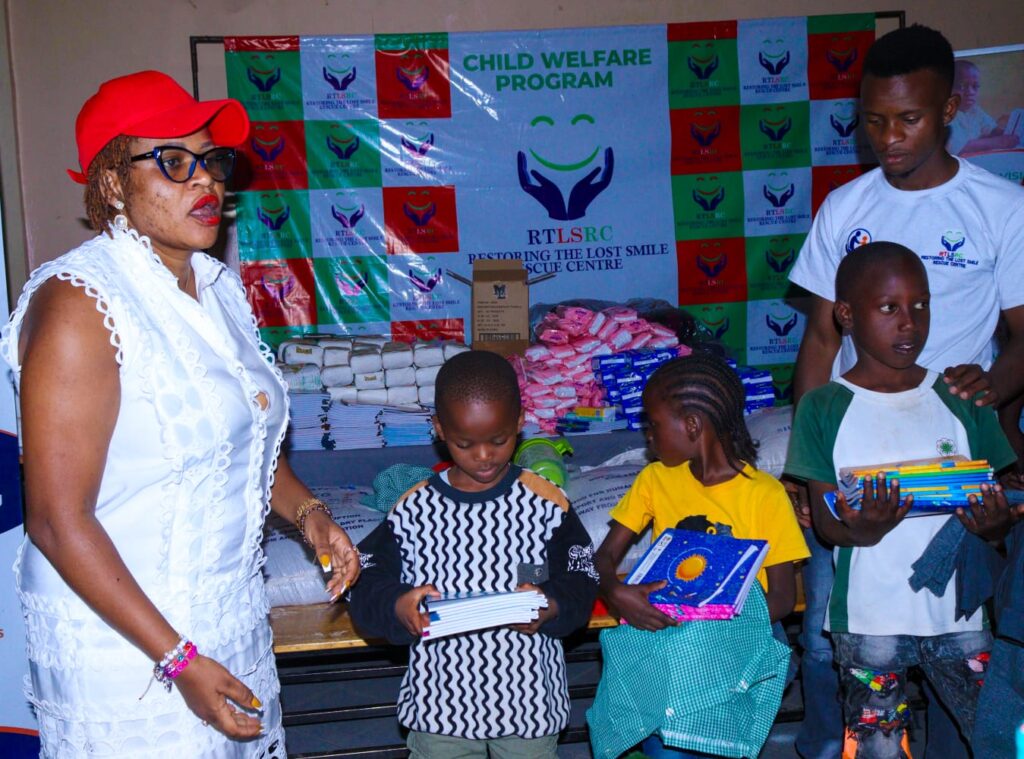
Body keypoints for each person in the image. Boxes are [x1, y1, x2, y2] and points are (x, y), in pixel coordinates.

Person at [1, 70, 361, 756]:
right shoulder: (79, 305)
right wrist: (177, 659)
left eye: (212, 161)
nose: (206, 182)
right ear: (114, 183)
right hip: (129, 654)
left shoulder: (215, 286)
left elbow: (241, 444)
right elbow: (56, 519)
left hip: (228, 618)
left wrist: (309, 513)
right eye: (174, 161)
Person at [787, 24, 1024, 758]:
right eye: (874, 120)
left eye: (909, 119)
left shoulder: (1000, 208)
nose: (888, 138)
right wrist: (806, 468)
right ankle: (831, 748)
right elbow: (819, 343)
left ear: (949, 109)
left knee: (962, 639)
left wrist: (989, 388)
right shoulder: (845, 208)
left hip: (953, 458)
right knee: (830, 637)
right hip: (858, 455)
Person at [785, 242, 1017, 758]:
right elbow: (827, 524)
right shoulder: (823, 408)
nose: (909, 323)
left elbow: (999, 504)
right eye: (889, 307)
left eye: (920, 305)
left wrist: (995, 526)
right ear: (846, 315)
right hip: (870, 618)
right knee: (878, 747)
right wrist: (863, 528)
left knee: (1000, 736)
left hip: (959, 615)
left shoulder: (961, 398)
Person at [348, 350, 598, 759]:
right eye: (465, 444)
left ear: (519, 422)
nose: (484, 455)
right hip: (442, 706)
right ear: (439, 430)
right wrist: (397, 605)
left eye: (499, 440)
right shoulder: (414, 509)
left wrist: (552, 604)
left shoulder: (546, 502)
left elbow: (582, 575)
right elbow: (365, 576)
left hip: (528, 702)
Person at [594, 352, 809, 757]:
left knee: (716, 743)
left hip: (739, 641)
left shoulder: (764, 495)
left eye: (654, 425)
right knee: (666, 744)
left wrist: (707, 627)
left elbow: (782, 598)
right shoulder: (655, 480)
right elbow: (602, 559)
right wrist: (615, 591)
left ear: (692, 425)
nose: (648, 436)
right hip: (668, 640)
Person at [947, 59, 1020, 155]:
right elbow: (961, 147)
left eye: (975, 86)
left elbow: (992, 131)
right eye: (962, 86)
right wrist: (1000, 142)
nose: (970, 92)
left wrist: (1010, 130)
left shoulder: (975, 110)